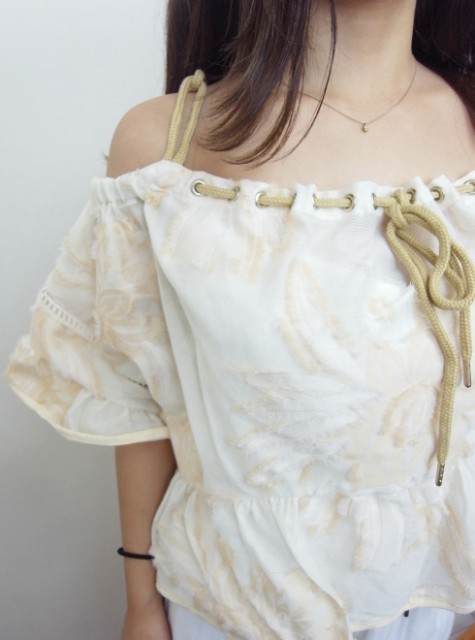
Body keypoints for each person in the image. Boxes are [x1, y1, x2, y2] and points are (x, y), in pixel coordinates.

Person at [5, 0, 475, 638]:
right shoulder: (165, 151)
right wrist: (141, 601)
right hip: (232, 603)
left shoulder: (465, 119)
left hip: (427, 600)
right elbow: (138, 396)